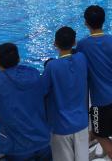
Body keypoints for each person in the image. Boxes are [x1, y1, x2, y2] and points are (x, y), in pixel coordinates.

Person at [77, 6, 112, 161]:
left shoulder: (82, 45)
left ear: (86, 23)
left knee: (97, 134)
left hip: (101, 102)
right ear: (104, 20)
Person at [0, 43, 51, 161]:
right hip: (42, 140)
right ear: (19, 59)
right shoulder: (34, 73)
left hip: (17, 146)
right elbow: (45, 96)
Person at [42, 27, 89, 161]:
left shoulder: (52, 67)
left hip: (60, 126)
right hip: (81, 122)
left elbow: (42, 91)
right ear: (74, 43)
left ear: (55, 43)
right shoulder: (82, 58)